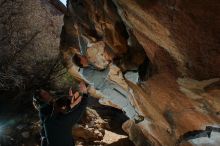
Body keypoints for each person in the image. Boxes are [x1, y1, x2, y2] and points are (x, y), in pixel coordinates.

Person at [72, 54, 144, 123]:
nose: (84, 56)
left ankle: (130, 112)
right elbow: (103, 74)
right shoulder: (86, 73)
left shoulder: (85, 66)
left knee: (127, 95)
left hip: (108, 84)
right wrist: (110, 64)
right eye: (81, 56)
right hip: (106, 89)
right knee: (124, 102)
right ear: (81, 61)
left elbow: (83, 49)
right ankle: (135, 118)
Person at [33, 81, 88, 146]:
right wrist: (85, 94)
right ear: (41, 99)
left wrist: (71, 103)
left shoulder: (46, 117)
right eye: (44, 93)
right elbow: (79, 110)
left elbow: (60, 110)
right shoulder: (59, 121)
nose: (48, 93)